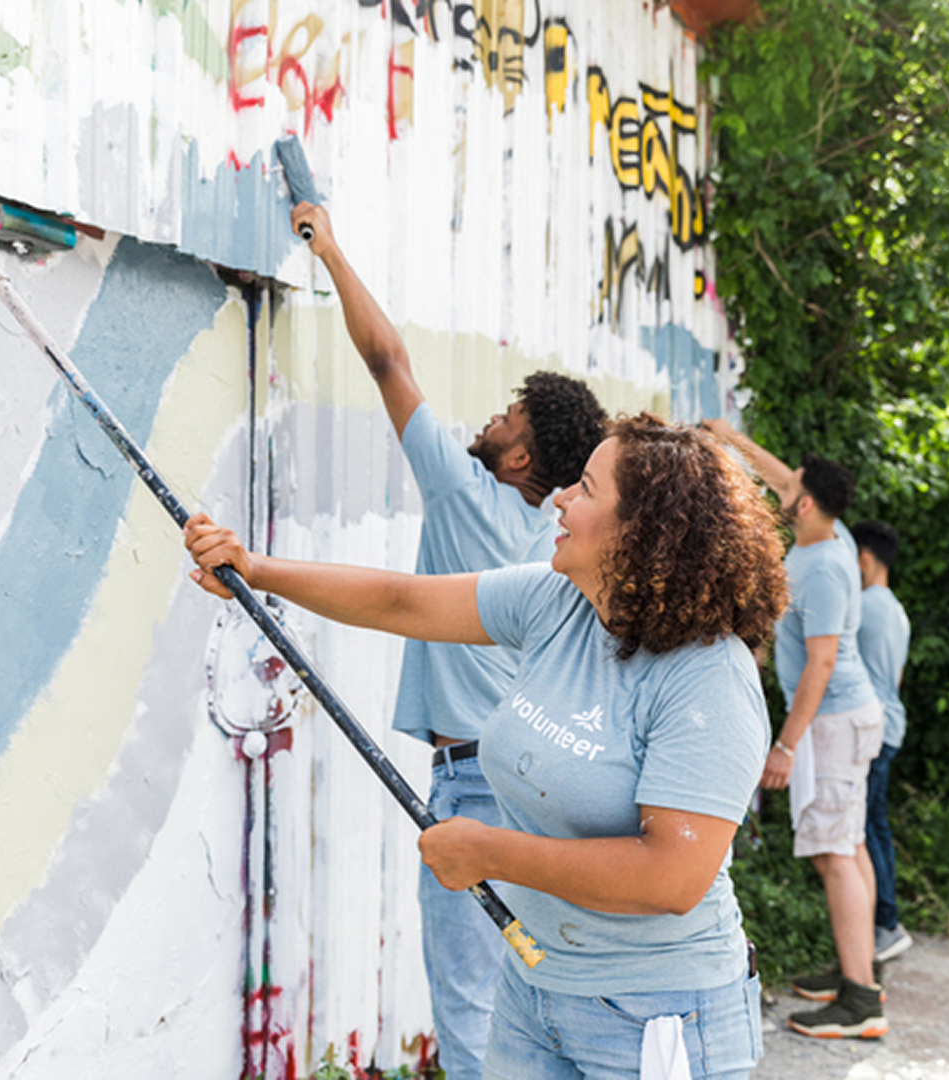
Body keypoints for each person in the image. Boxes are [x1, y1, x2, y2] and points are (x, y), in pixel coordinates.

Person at [184, 415, 788, 1078]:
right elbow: (402, 602)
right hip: (536, 990)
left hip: (659, 1010)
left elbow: (671, 877)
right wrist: (255, 569)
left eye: (585, 489)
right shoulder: (558, 602)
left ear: (642, 530)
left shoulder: (708, 677)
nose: (560, 497)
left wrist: (489, 851)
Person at [288, 201, 607, 1079]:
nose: (491, 421)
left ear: (514, 460)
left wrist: (331, 248)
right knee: (527, 992)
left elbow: (386, 359)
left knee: (468, 1006)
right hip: (538, 785)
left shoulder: (469, 495)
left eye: (507, 417)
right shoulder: (555, 539)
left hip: (474, 785)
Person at [703, 419, 887, 1040]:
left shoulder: (828, 569)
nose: (782, 484)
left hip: (832, 720)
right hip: (843, 718)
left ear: (804, 504)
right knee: (850, 845)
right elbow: (783, 476)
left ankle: (861, 1000)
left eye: (792, 486)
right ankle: (858, 964)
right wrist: (728, 437)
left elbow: (823, 661)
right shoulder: (820, 532)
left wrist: (786, 744)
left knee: (834, 855)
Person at [851, 520, 913, 965]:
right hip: (892, 725)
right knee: (876, 825)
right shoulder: (897, 611)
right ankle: (886, 921)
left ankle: (883, 924)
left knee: (863, 830)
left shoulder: (863, 606)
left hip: (868, 731)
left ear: (865, 558)